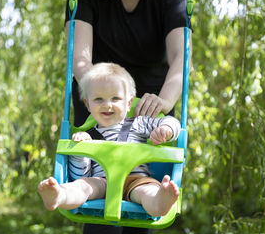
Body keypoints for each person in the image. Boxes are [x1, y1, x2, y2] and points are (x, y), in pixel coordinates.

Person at [65, 0, 192, 234]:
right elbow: (79, 60)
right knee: (101, 214)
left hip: (152, 107)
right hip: (100, 107)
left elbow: (182, 58)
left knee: (141, 208)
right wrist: (103, 98)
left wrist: (164, 104)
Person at [39, 63, 181, 218]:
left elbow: (172, 122)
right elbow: (81, 174)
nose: (107, 105)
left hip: (136, 180)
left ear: (128, 103)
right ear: (87, 104)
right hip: (101, 182)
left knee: (149, 190)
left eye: (115, 98)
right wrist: (81, 151)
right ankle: (60, 195)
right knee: (82, 185)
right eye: (99, 99)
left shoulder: (138, 123)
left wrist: (165, 130)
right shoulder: (87, 135)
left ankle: (160, 202)